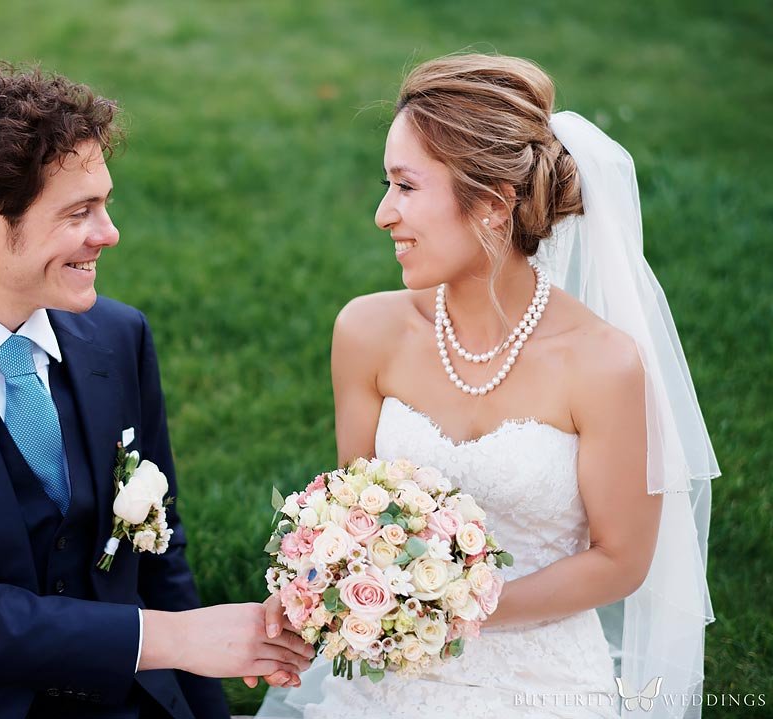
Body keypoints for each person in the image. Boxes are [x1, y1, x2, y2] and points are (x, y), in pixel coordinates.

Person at [0, 62, 311, 719]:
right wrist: (170, 639)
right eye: (78, 212)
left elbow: (159, 552)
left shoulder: (117, 338)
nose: (109, 233)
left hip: (117, 700)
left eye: (105, 203)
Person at [258, 54, 717, 718]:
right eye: (387, 184)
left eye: (406, 186)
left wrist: (442, 607)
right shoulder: (366, 331)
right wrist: (321, 588)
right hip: (387, 665)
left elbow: (620, 559)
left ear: (495, 205)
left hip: (539, 678)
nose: (383, 214)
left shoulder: (602, 364)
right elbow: (355, 513)